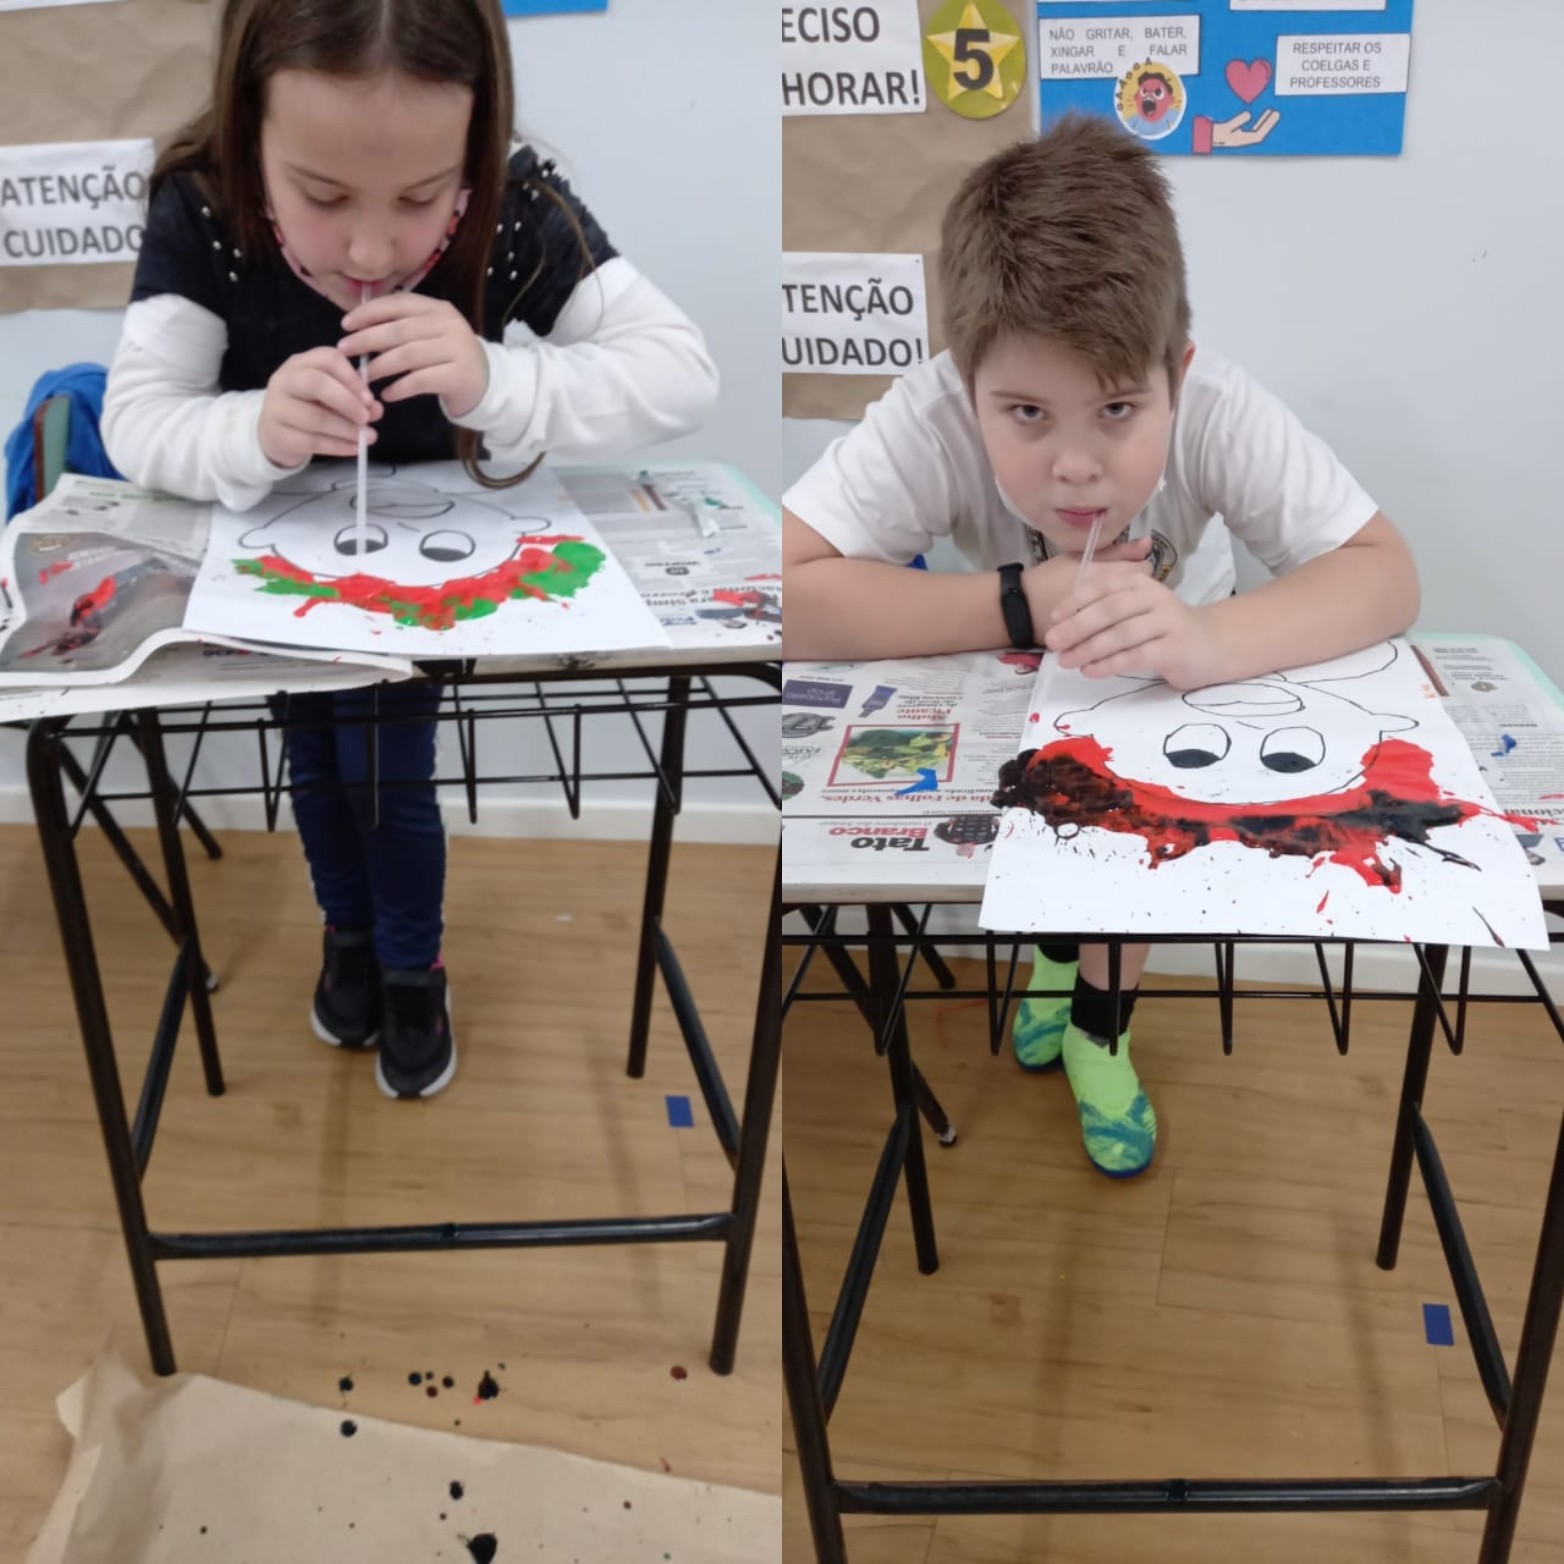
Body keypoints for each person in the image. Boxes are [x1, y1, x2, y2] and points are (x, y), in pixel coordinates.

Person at [782, 116, 1418, 1177]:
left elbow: (1385, 571)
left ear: (1176, 372)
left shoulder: (1217, 406)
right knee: (1055, 835)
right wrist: (1017, 604)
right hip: (1016, 674)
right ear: (966, 380)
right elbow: (781, 591)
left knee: (1133, 856)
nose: (1076, 467)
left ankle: (1100, 1026)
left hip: (1181, 674)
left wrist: (1209, 635)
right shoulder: (933, 414)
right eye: (1026, 413)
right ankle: (1052, 958)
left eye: (1118, 408)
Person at [104, 0, 717, 1100]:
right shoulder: (204, 207)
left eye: (422, 196)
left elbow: (680, 373)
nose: (372, 251)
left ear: (473, 152)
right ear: (249, 133)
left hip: (422, 582)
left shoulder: (513, 205)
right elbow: (137, 419)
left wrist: (499, 377)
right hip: (279, 572)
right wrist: (250, 430)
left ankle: (410, 968)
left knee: (388, 775)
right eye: (322, 196)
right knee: (311, 758)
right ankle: (347, 938)